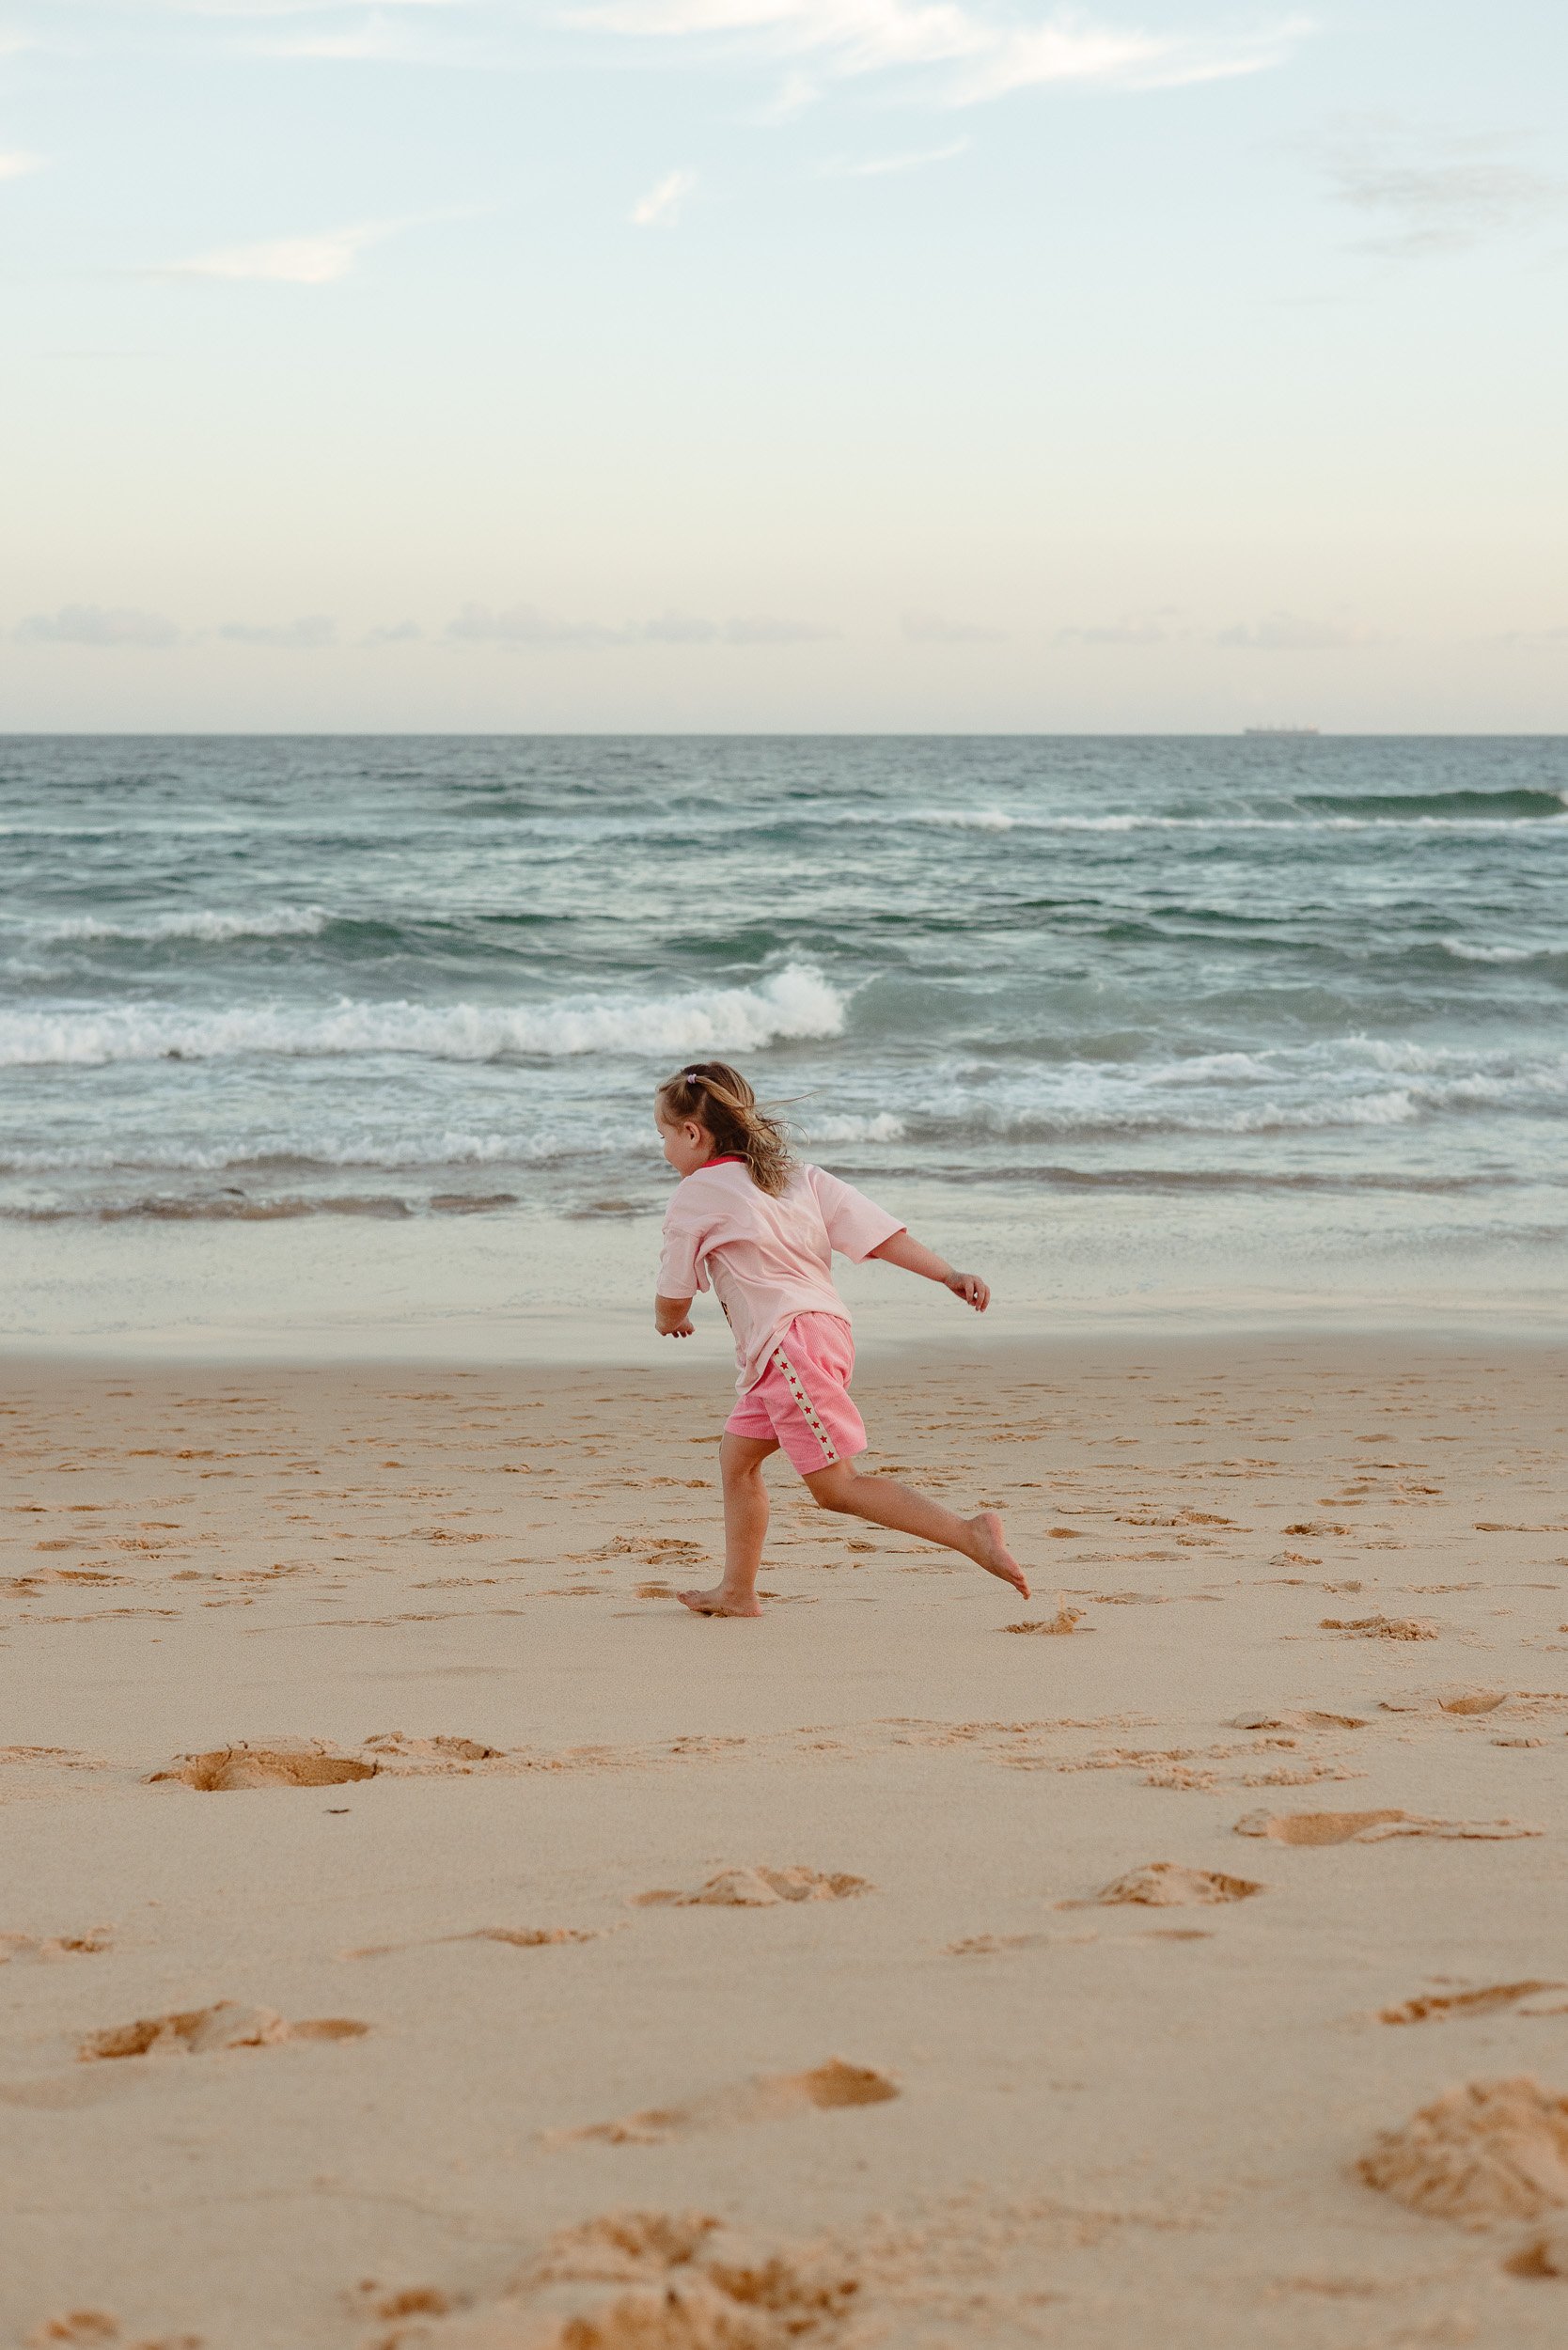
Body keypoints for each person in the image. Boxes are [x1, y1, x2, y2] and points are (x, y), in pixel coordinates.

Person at [652, 1060, 1030, 1617]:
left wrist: (669, 1319)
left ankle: (970, 1534)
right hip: (816, 1335)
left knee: (835, 1488)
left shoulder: (697, 1191)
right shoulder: (798, 1177)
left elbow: (673, 1290)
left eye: (662, 1135)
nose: (662, 1149)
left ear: (692, 1133)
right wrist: (948, 1274)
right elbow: (880, 1235)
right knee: (738, 1460)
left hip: (790, 1347)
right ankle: (737, 1591)